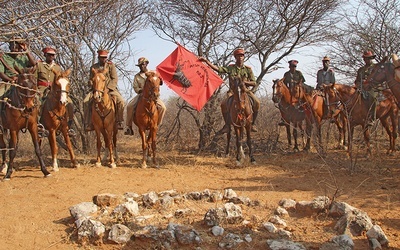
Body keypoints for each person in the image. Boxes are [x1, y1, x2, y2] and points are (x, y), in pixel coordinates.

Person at [199, 48, 260, 133]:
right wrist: (206, 61)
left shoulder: (248, 69)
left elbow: (254, 82)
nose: (240, 57)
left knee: (257, 102)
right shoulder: (231, 68)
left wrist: (244, 82)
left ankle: (252, 124)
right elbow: (218, 69)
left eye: (242, 55)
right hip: (233, 91)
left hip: (244, 91)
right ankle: (227, 125)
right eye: (238, 56)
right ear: (235, 57)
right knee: (224, 104)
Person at [36, 46, 76, 136]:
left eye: (53, 55)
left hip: (55, 90)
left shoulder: (57, 67)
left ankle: (69, 125)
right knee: (37, 102)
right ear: (45, 55)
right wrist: (36, 90)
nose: (51, 57)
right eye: (49, 55)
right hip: (42, 89)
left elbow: (60, 79)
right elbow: (34, 78)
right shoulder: (39, 65)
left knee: (69, 103)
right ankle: (38, 124)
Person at [0, 37, 37, 133]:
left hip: (24, 83)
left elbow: (33, 64)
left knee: (37, 98)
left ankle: (38, 122)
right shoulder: (4, 57)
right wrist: (10, 80)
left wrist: (26, 50)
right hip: (9, 82)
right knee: (0, 96)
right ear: (10, 46)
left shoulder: (23, 57)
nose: (15, 47)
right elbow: (1, 73)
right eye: (13, 45)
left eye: (17, 45)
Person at [83, 49, 125, 131]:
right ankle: (88, 123)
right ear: (98, 57)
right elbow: (90, 79)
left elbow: (114, 79)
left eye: (105, 57)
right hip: (96, 89)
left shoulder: (111, 66)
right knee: (85, 101)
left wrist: (108, 88)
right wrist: (91, 83)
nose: (104, 59)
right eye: (102, 57)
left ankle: (119, 121)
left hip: (110, 89)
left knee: (121, 101)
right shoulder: (93, 67)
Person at [124, 57, 166, 136]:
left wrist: (159, 78)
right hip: (142, 95)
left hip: (153, 95)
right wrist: (140, 91)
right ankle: (129, 127)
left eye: (143, 64)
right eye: (140, 65)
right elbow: (135, 87)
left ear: (146, 64)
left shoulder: (153, 72)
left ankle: (157, 124)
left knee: (163, 107)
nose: (142, 66)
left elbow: (159, 82)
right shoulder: (137, 76)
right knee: (129, 106)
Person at [279, 60, 306, 126]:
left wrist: (296, 83)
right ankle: (283, 118)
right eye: (292, 66)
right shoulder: (286, 74)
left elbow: (303, 81)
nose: (293, 68)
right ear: (289, 67)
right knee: (280, 103)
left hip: (297, 92)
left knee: (304, 101)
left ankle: (306, 115)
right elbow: (284, 84)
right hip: (289, 92)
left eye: (294, 66)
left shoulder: (299, 73)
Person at [354, 50, 377, 126]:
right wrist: (358, 84)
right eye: (365, 58)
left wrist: (368, 82)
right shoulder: (360, 69)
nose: (367, 60)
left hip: (373, 87)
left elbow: (378, 79)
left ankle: (371, 118)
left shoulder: (375, 68)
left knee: (372, 97)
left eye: (369, 58)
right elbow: (356, 80)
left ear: (371, 58)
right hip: (361, 88)